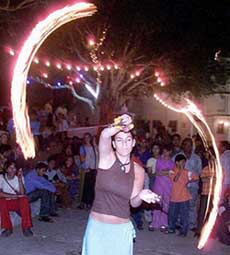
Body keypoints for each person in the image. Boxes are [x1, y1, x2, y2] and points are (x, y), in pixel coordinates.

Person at [81, 114, 160, 255]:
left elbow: (134, 203)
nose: (124, 143)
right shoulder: (106, 159)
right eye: (119, 140)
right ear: (113, 144)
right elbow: (105, 135)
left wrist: (141, 195)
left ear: (133, 143)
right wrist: (121, 124)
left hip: (121, 230)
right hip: (97, 228)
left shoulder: (139, 170)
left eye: (128, 140)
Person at [167, 154, 198, 236]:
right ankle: (171, 228)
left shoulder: (187, 172)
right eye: (182, 162)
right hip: (174, 197)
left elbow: (196, 177)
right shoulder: (172, 171)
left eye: (184, 162)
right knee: (172, 215)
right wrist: (180, 171)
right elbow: (175, 179)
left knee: (184, 216)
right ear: (176, 162)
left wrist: (189, 180)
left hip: (184, 197)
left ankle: (183, 231)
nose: (183, 164)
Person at [0, 161, 33, 237]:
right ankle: (8, 228)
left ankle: (26, 227)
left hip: (16, 203)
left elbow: (22, 193)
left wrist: (20, 180)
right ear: (6, 169)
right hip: (6, 202)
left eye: (14, 168)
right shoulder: (1, 178)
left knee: (24, 199)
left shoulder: (18, 177)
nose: (12, 170)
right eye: (10, 168)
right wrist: (13, 196)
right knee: (1, 201)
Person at [149, 144, 174, 232]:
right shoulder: (159, 161)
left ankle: (164, 223)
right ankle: (155, 222)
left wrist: (165, 172)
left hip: (168, 185)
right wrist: (167, 172)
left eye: (167, 151)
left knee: (166, 204)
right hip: (158, 184)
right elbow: (158, 172)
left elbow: (172, 173)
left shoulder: (172, 162)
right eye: (164, 151)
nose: (165, 153)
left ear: (170, 152)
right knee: (157, 203)